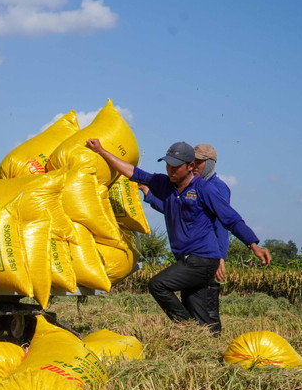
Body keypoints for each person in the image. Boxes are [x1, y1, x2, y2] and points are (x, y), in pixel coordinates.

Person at [86, 138, 271, 335]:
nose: (170, 170)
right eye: (167, 165)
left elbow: (231, 219)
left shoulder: (205, 189)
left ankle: (187, 329)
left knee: (158, 284)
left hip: (202, 259)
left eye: (176, 166)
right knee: (202, 319)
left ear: (190, 166)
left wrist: (254, 245)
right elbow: (135, 173)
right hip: (187, 259)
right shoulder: (167, 186)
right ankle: (206, 340)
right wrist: (102, 151)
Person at [139, 143, 229, 333]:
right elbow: (173, 210)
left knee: (209, 307)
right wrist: (148, 194)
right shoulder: (186, 187)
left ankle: (205, 339)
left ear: (211, 163)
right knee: (193, 302)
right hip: (192, 256)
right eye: (192, 162)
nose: (195, 166)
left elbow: (222, 223)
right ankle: (198, 338)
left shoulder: (216, 187)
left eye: (200, 162)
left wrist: (221, 256)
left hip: (208, 254)